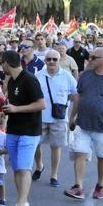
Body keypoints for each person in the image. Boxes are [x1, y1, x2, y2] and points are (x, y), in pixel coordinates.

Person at [0, 50, 45, 206]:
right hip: (13, 129)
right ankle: (23, 202)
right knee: (17, 168)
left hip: (29, 130)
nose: (0, 65)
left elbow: (41, 104)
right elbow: (12, 104)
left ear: (8, 63)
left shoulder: (29, 79)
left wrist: (16, 109)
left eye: (1, 62)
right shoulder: (11, 81)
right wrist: (0, 107)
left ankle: (20, 205)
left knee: (25, 168)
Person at [65, 47, 103, 200]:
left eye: (93, 57)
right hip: (83, 123)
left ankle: (100, 185)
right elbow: (78, 97)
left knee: (102, 157)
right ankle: (78, 186)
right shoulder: (85, 75)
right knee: (80, 153)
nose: (89, 59)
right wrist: (72, 116)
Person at [33, 49, 78, 187]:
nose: (51, 62)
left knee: (56, 146)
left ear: (59, 61)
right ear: (45, 61)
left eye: (54, 59)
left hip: (59, 118)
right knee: (36, 144)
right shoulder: (38, 75)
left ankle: (54, 174)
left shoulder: (67, 76)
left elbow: (75, 95)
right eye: (49, 59)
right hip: (40, 116)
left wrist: (71, 113)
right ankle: (39, 166)